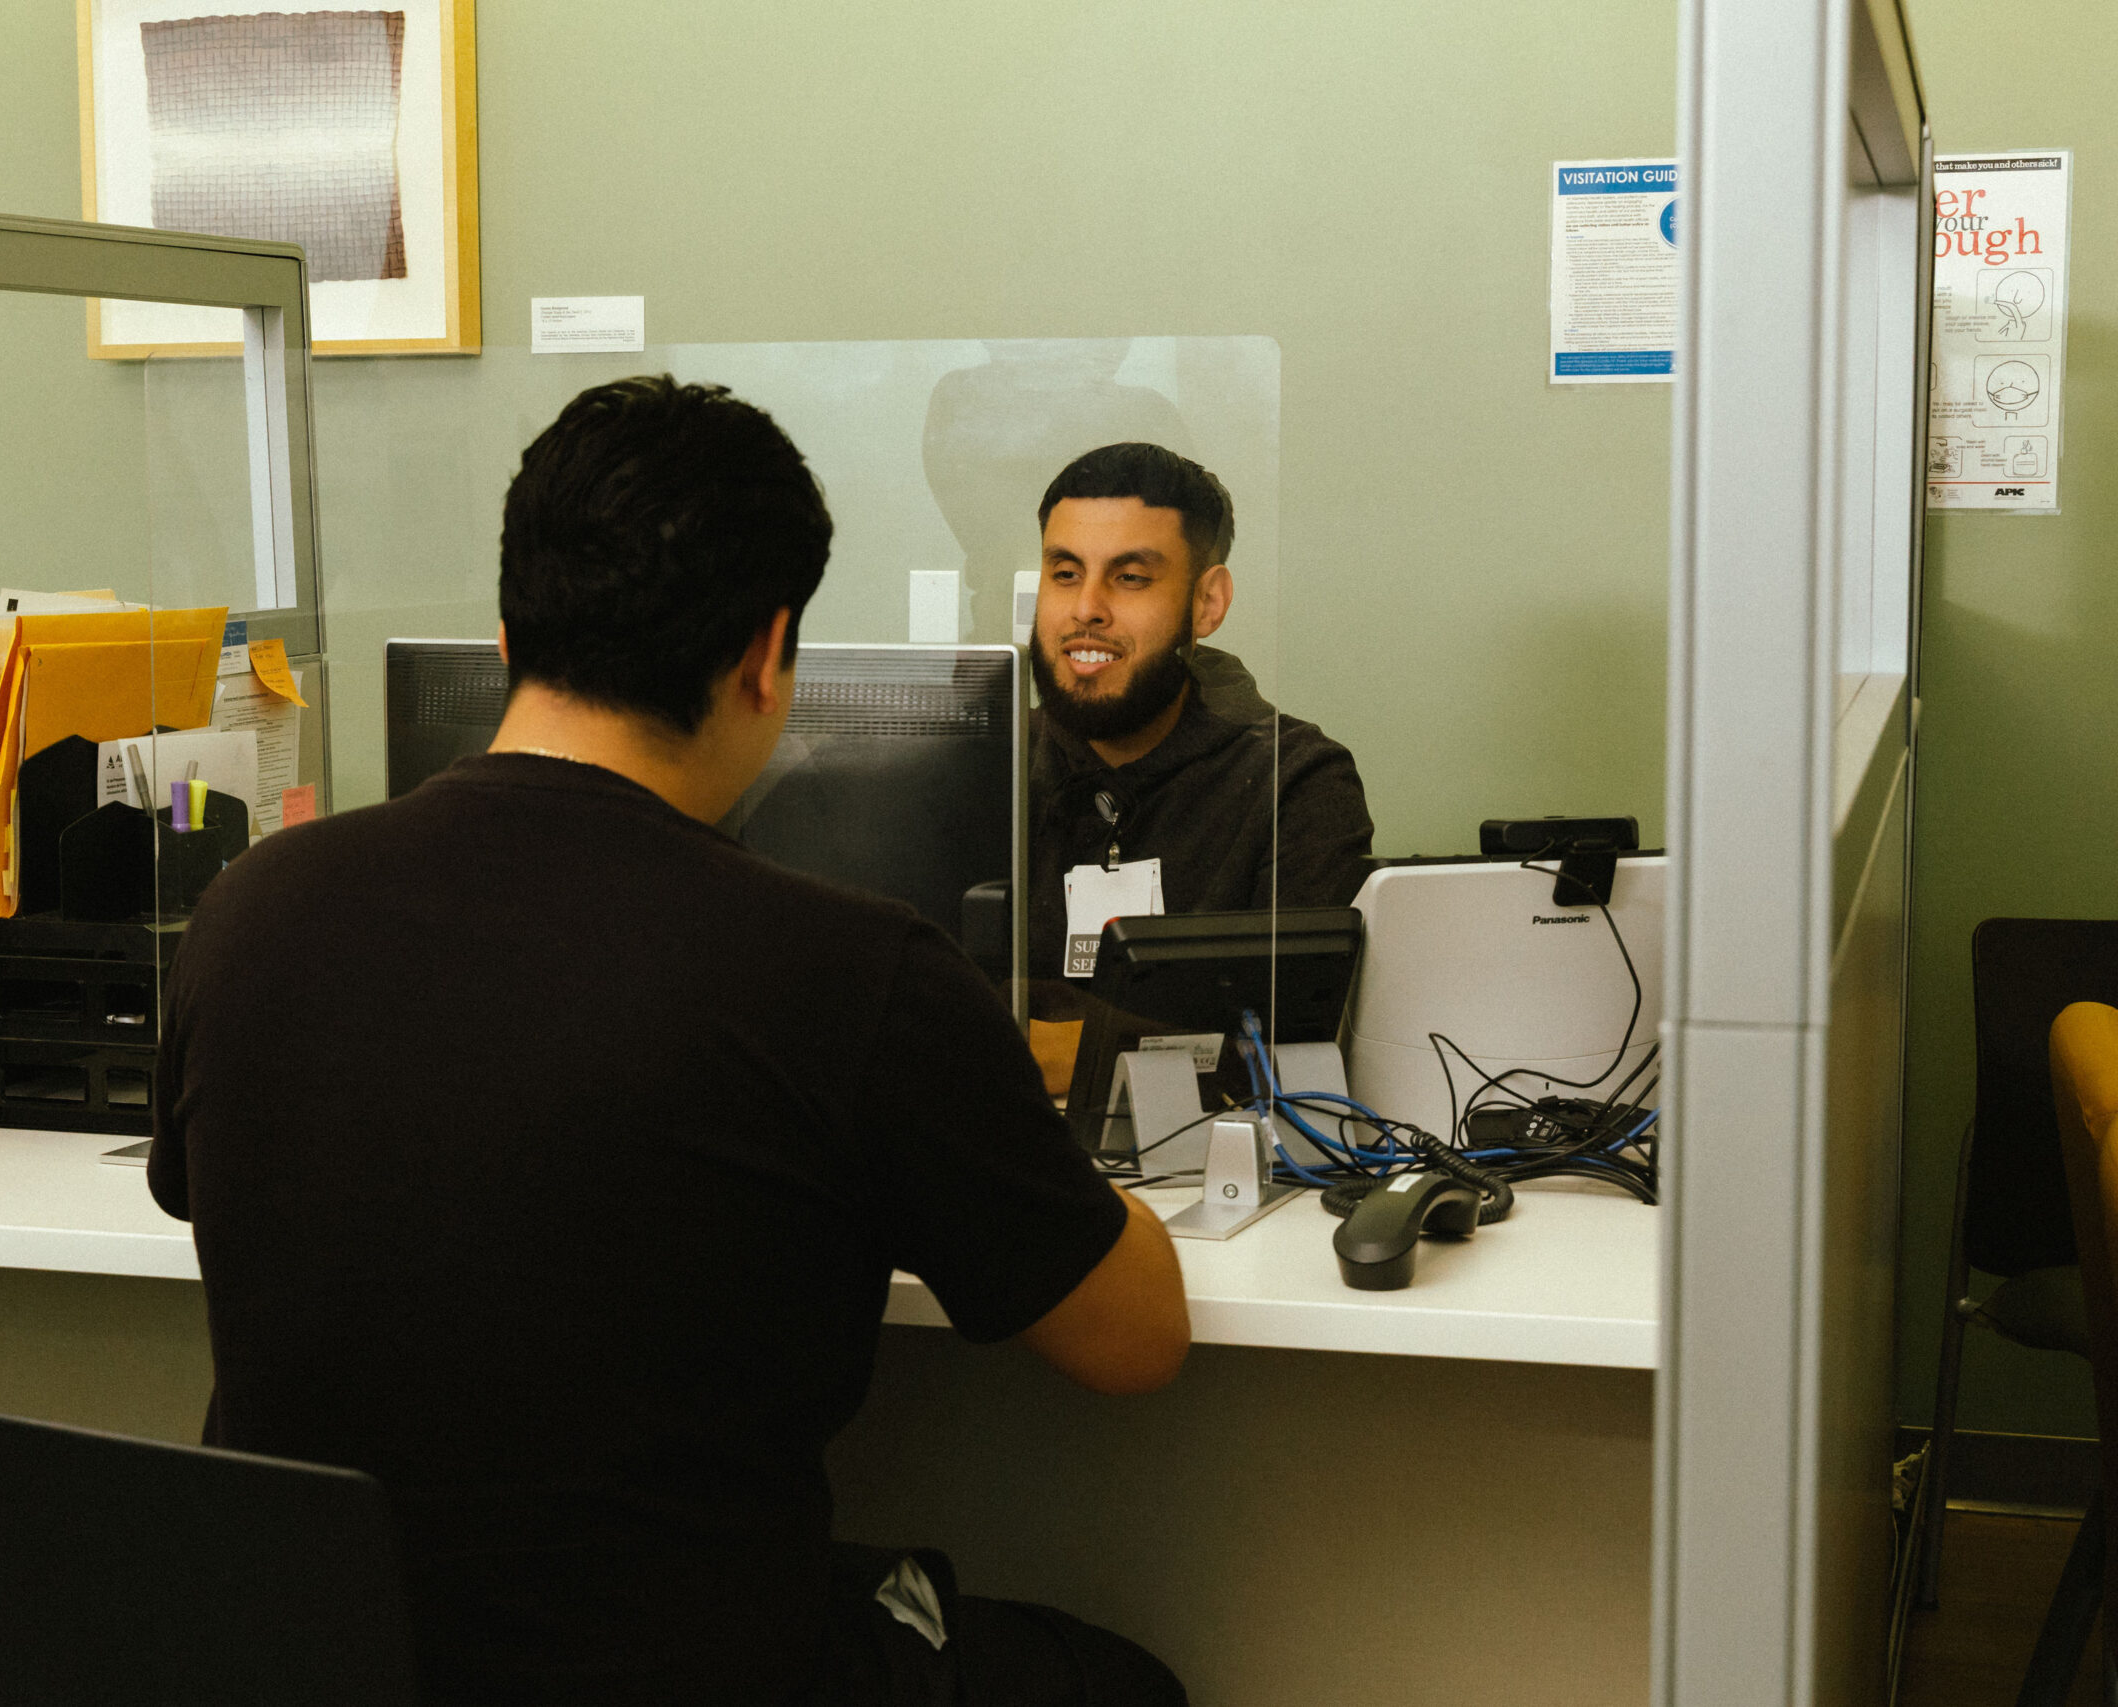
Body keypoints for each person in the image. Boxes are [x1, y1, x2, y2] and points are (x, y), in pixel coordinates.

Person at [150, 376, 1192, 1707]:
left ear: (513, 624)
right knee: (1119, 1685)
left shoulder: (253, 907)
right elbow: (1134, 1338)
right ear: (768, 654)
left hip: (321, 1664)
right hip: (704, 1668)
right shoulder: (852, 971)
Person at [1023, 443, 1374, 1095]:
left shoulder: (1297, 782)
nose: (1086, 609)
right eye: (1065, 573)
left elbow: (1284, 1045)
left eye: (1130, 577)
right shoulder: (985, 769)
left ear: (1207, 602)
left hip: (1218, 1168)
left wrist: (1052, 1049)